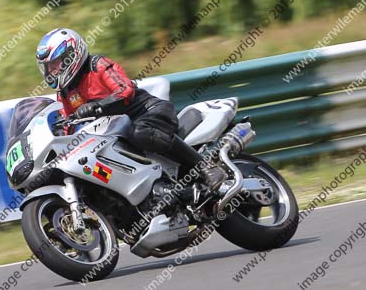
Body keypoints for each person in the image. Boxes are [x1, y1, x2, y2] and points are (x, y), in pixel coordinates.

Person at [36, 27, 226, 190]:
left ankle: (205, 166)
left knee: (140, 132)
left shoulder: (97, 65)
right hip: (116, 134)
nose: (51, 71)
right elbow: (68, 123)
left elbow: (125, 90)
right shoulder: (65, 93)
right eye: (48, 67)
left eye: (55, 64)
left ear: (71, 55)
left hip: (148, 112)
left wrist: (97, 106)